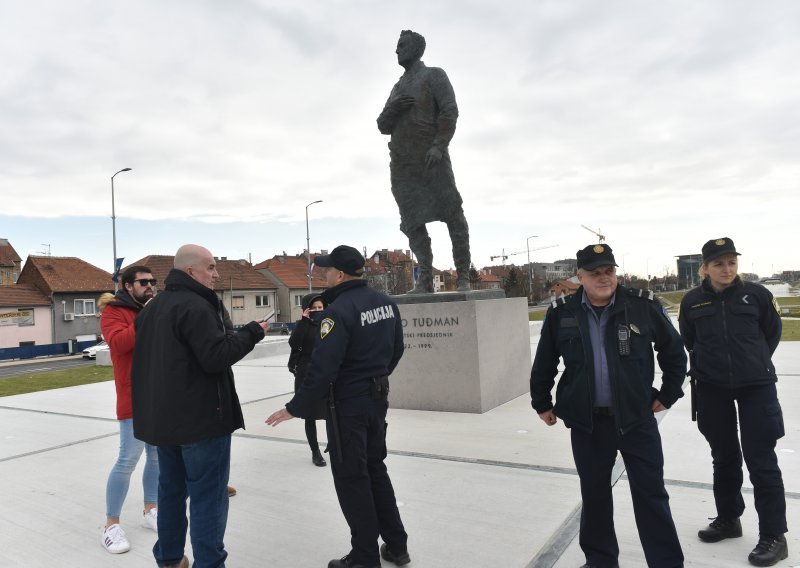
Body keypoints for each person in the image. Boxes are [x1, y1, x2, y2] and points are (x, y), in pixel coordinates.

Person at [530, 243, 686, 568]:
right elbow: (544, 360)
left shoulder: (642, 306)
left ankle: (666, 563)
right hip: (588, 425)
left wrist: (668, 394)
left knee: (651, 496)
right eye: (595, 273)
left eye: (609, 271)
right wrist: (541, 401)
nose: (604, 278)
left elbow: (674, 352)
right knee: (595, 495)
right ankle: (600, 561)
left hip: (636, 420)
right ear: (580, 276)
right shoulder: (562, 312)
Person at [267, 245, 409, 568]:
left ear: (340, 274)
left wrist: (295, 407)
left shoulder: (337, 312)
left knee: (351, 478)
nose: (323, 274)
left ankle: (364, 556)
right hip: (377, 401)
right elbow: (397, 350)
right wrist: (375, 378)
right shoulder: (386, 304)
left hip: (348, 406)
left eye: (327, 270)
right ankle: (397, 546)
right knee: (375, 468)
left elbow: (322, 369)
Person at [131, 244, 268, 568]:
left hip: (165, 424)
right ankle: (210, 563)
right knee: (209, 499)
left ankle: (169, 558)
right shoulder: (198, 306)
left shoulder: (152, 308)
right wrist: (251, 333)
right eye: (210, 267)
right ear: (190, 271)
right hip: (203, 424)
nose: (216, 274)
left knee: (171, 493)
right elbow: (215, 356)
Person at [679, 238, 787, 567]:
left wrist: (752, 363)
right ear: (705, 268)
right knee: (723, 457)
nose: (727, 269)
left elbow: (772, 333)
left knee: (761, 461)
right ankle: (729, 519)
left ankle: (774, 535)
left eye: (731, 262)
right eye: (719, 264)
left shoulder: (757, 295)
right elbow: (690, 340)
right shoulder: (692, 301)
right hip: (712, 388)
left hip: (756, 387)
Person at [377, 29, 472, 293]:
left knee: (453, 213)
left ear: (417, 49)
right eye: (397, 46)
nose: (397, 50)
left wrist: (439, 145)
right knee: (411, 221)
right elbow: (383, 125)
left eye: (402, 45)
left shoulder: (434, 75)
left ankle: (463, 275)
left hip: (432, 159)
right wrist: (394, 108)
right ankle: (425, 278)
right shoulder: (398, 87)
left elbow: (449, 111)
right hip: (403, 165)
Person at [98, 266, 159, 554]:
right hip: (132, 397)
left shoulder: (151, 309)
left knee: (157, 454)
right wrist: (147, 315)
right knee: (128, 458)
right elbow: (120, 344)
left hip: (158, 396)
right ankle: (111, 525)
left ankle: (151, 509)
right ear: (127, 285)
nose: (150, 286)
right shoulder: (113, 311)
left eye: (152, 282)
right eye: (143, 282)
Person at [288, 293, 329, 467]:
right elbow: (294, 343)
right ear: (307, 309)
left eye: (321, 307)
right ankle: (315, 451)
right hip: (306, 374)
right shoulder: (302, 325)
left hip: (327, 373)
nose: (318, 311)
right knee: (309, 415)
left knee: (331, 413)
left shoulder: (329, 323)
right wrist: (305, 321)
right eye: (314, 308)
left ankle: (333, 444)